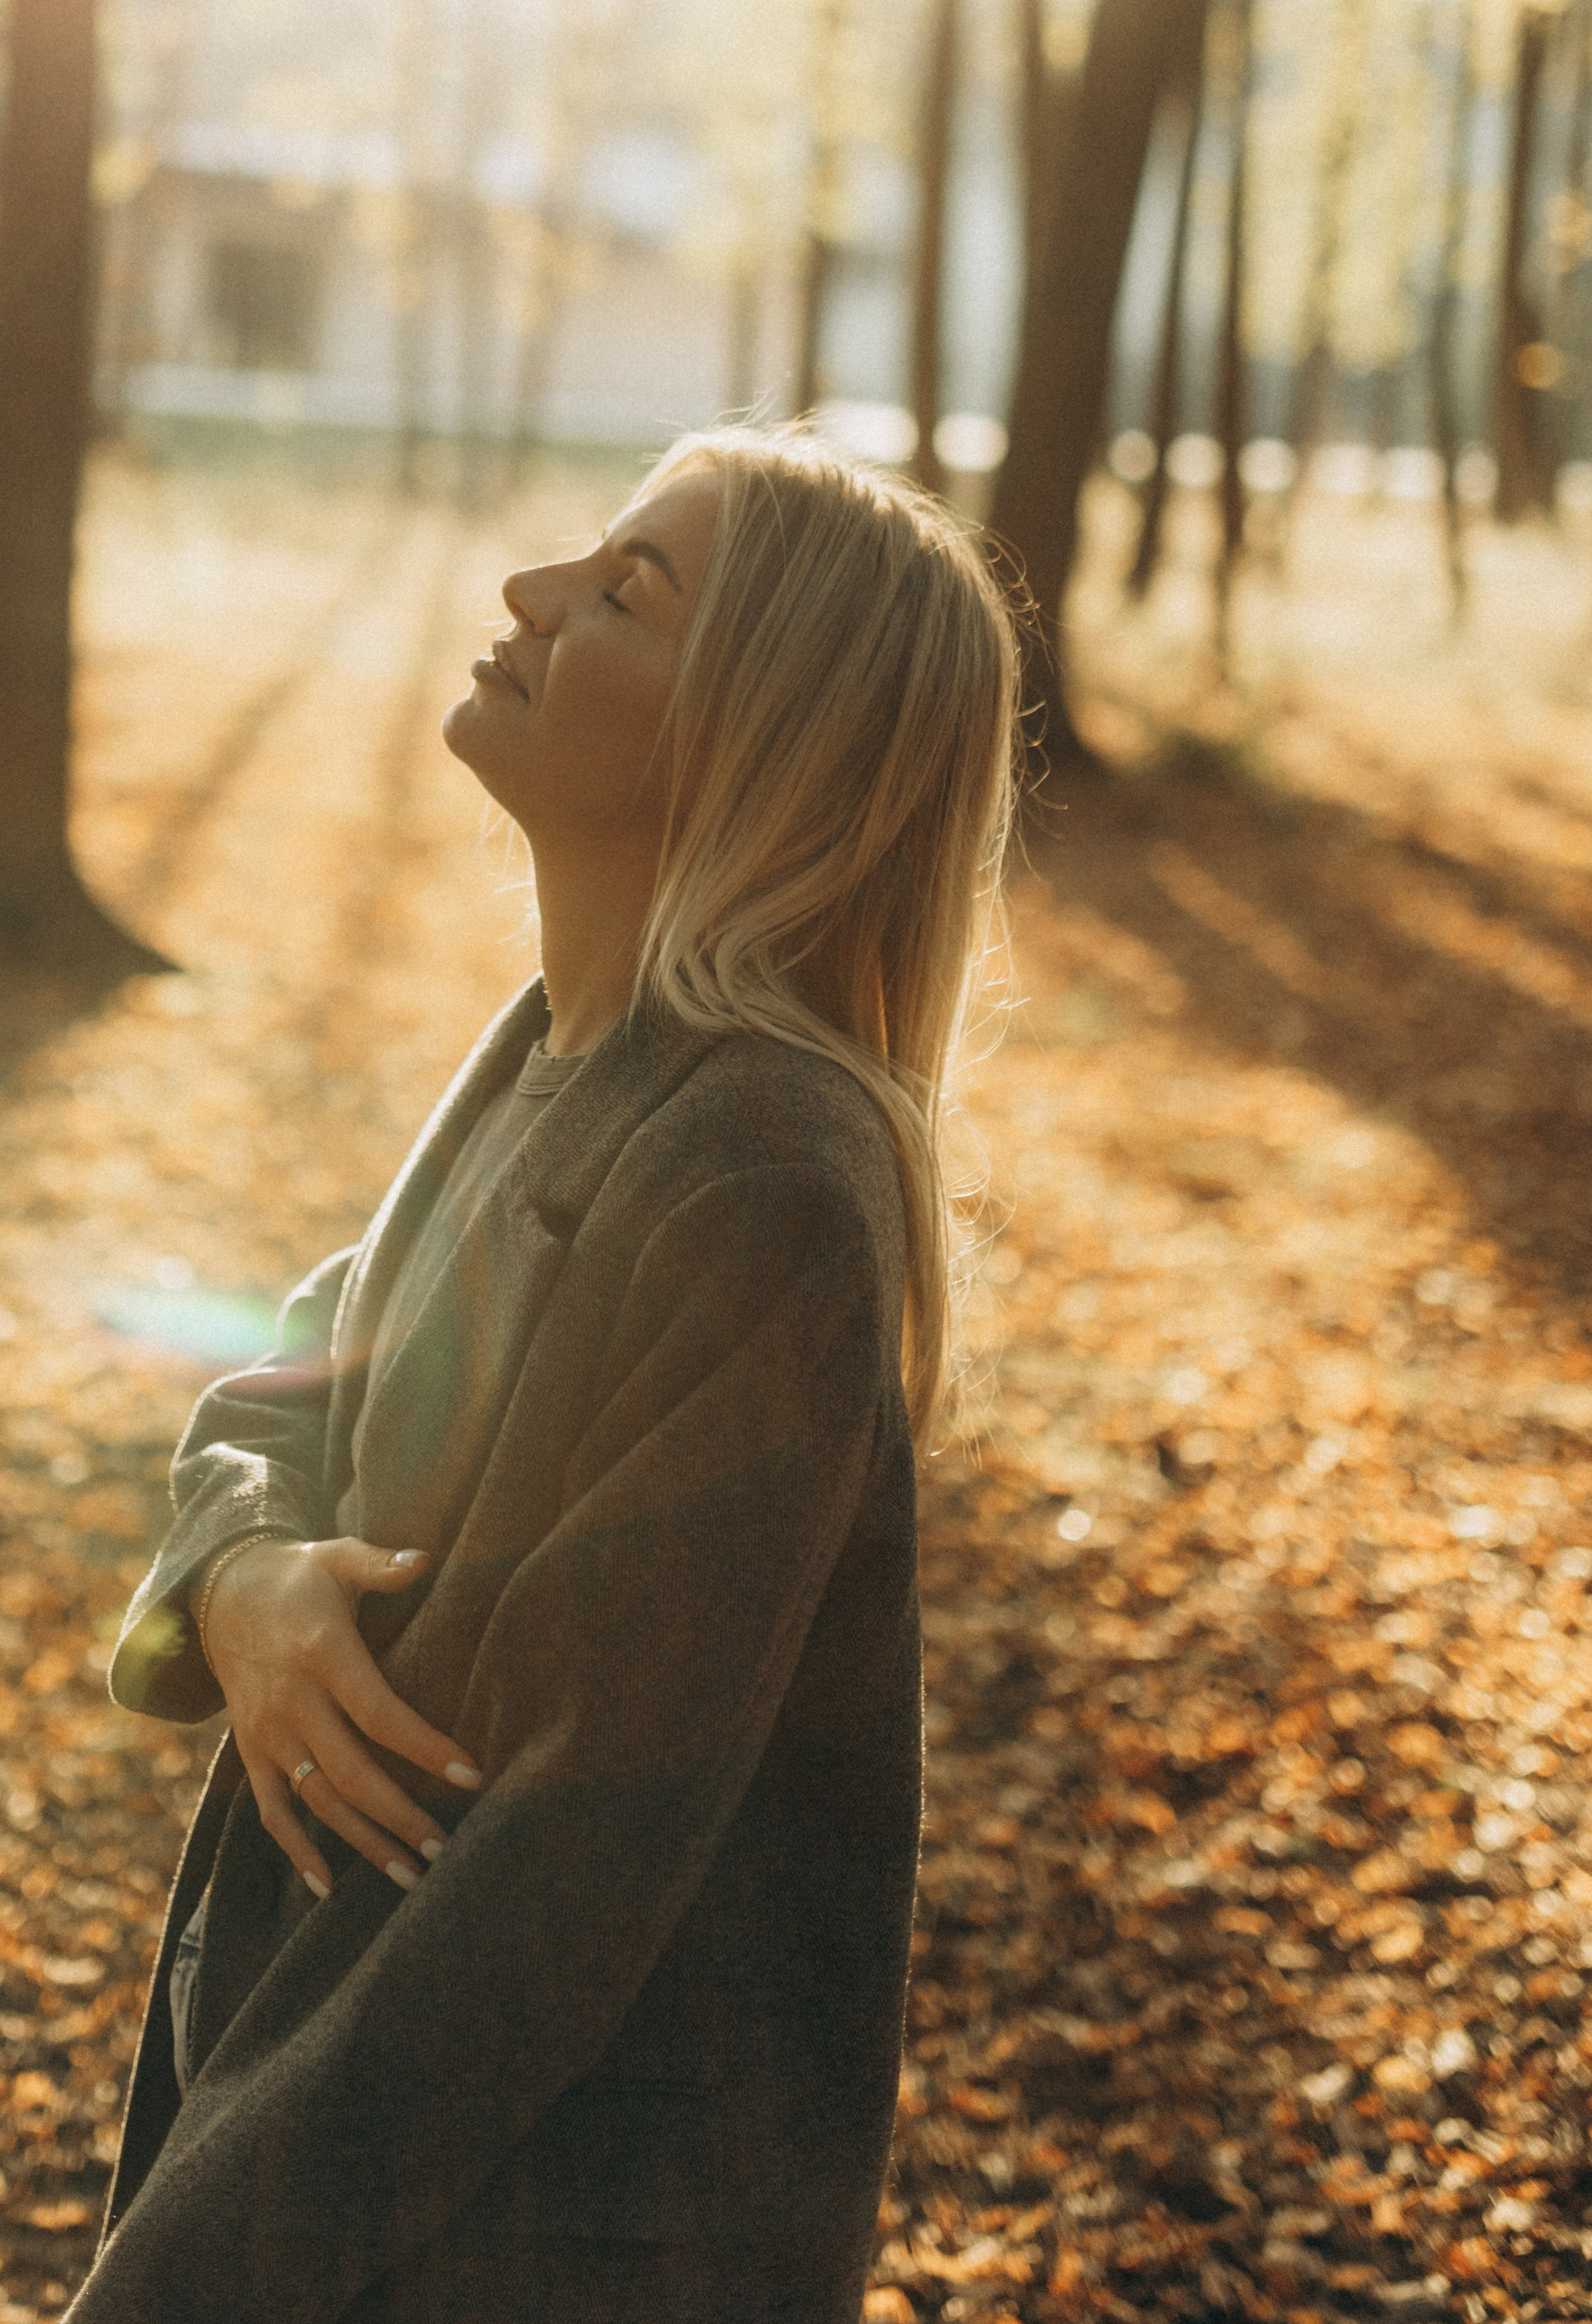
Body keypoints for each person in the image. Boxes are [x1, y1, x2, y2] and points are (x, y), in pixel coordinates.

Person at [69, 424, 1018, 2324]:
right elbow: (297, 1366)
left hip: (534, 2236)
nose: (528, 594)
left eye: (625, 591)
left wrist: (178, 2286)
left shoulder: (755, 1180)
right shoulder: (559, 1050)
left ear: (765, 738)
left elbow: (538, 1892)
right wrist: (240, 1574)